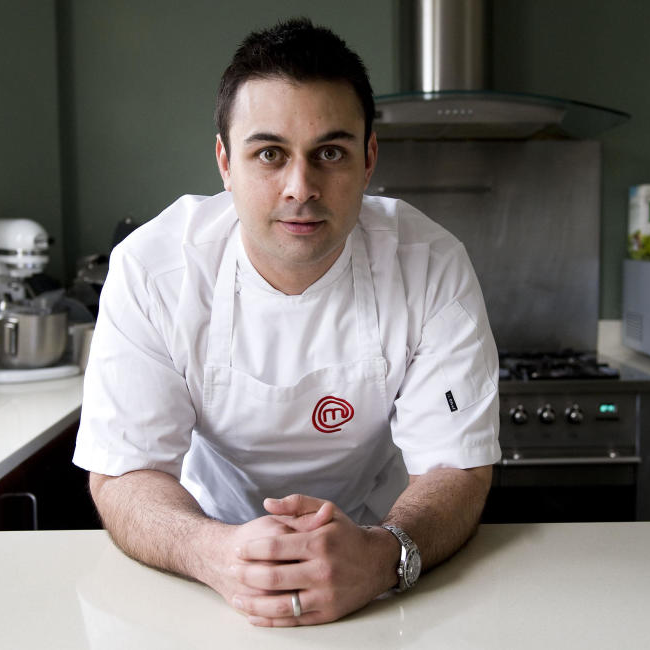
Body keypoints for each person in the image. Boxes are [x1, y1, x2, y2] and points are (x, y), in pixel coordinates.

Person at [72, 17, 500, 627]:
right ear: (224, 162)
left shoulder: (430, 265)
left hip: (382, 540)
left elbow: (457, 470)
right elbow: (125, 472)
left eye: (330, 152)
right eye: (269, 153)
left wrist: (384, 556)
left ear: (369, 157)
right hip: (206, 550)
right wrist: (214, 552)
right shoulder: (152, 270)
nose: (301, 188)